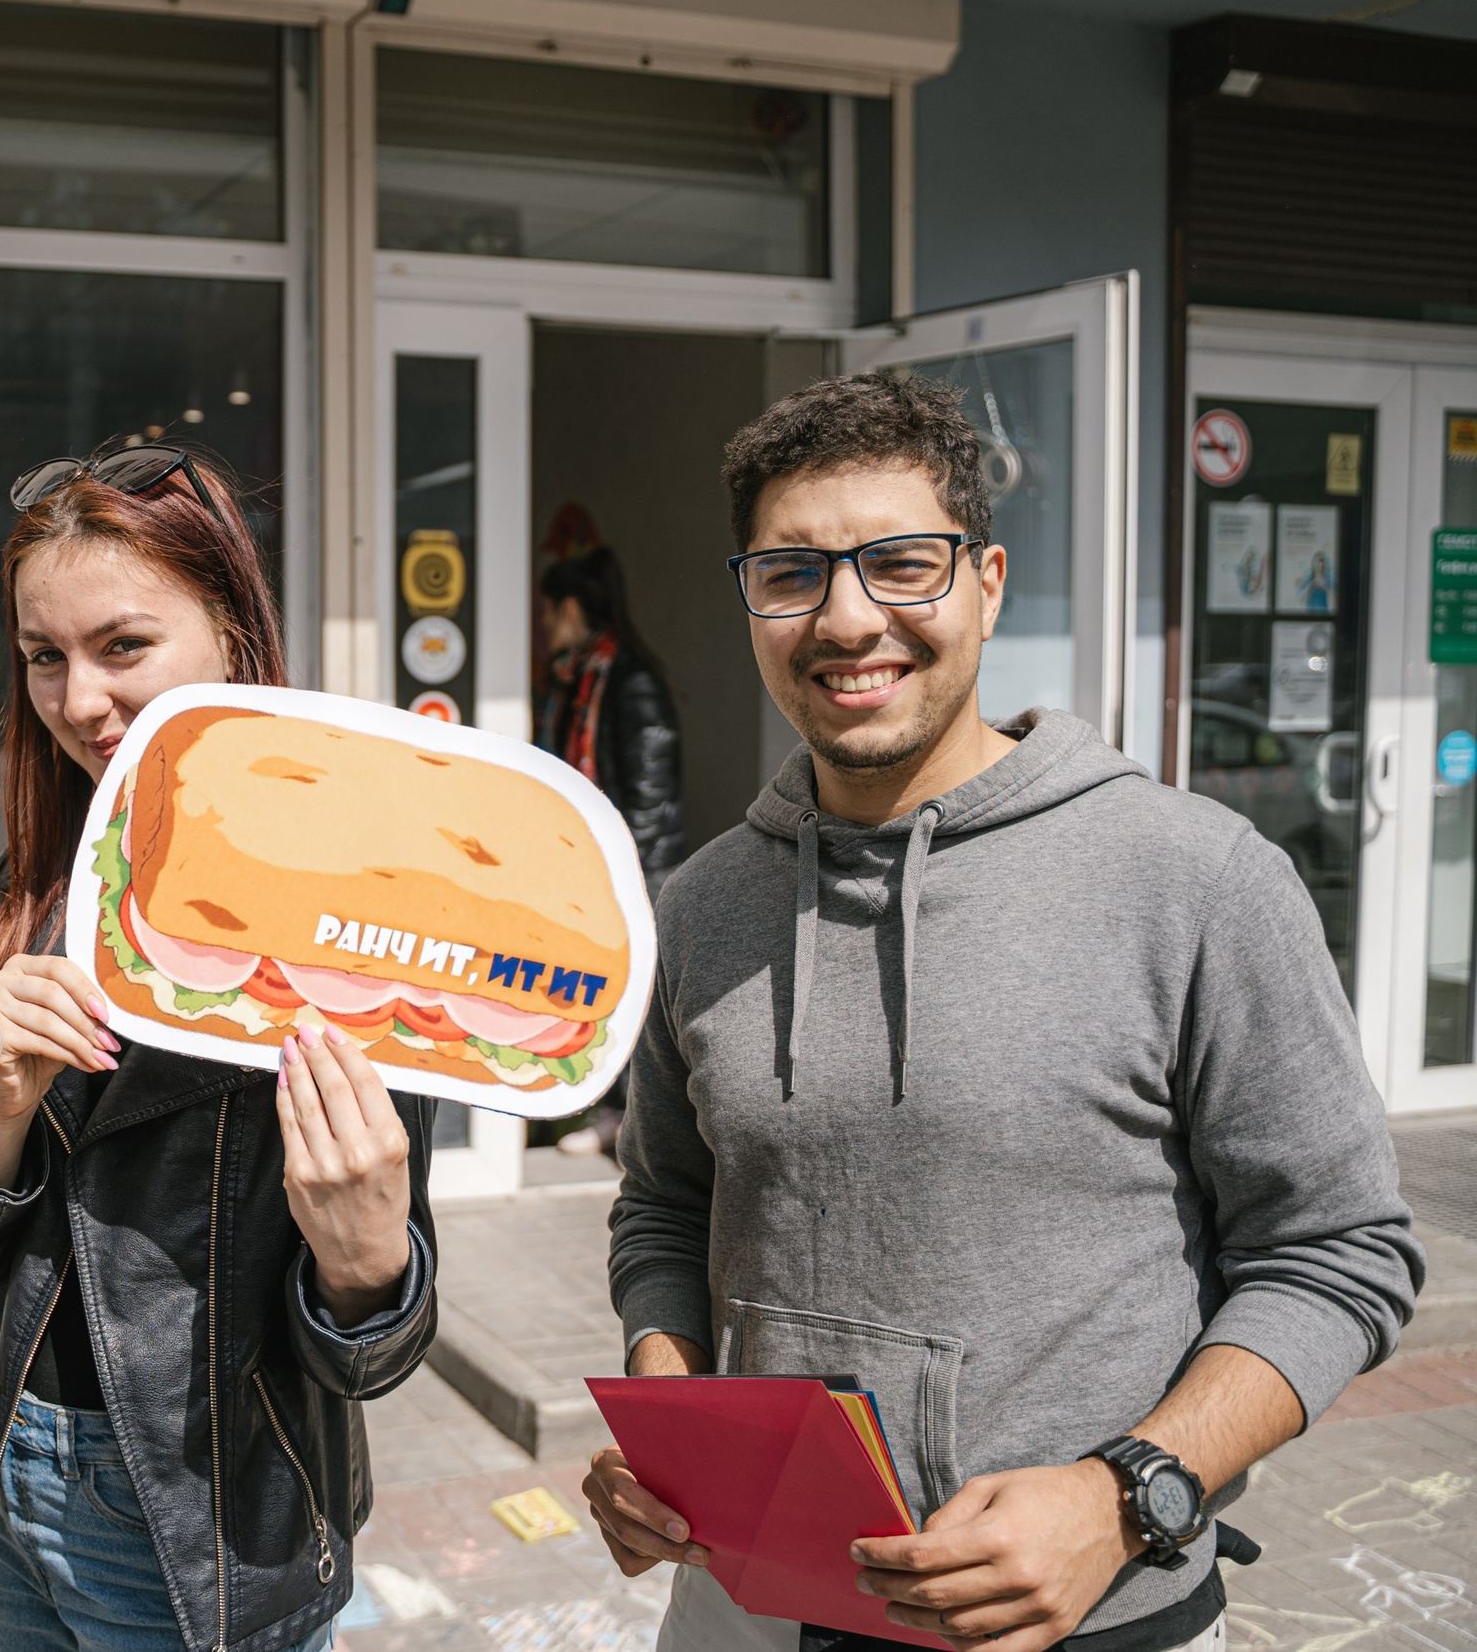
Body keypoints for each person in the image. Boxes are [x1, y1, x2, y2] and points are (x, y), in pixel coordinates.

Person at [583, 375, 1422, 1652]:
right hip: (743, 1609)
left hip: (1088, 1615)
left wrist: (1124, 1495)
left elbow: (1338, 1252)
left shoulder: (1191, 878)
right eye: (792, 573)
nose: (846, 617)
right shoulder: (700, 907)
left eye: (900, 564)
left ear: (987, 582)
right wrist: (669, 1403)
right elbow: (665, 1207)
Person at [0, 441, 438, 1652]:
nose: (79, 699)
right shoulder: (41, 882)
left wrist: (366, 1267)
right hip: (4, 1473)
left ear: (232, 639)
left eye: (122, 646)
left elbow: (373, 1350)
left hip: (205, 1517)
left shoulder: (351, 917)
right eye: (44, 657)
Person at [537, 545, 685, 885]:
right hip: (594, 866)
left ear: (570, 610)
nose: (543, 623)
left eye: (547, 610)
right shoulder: (572, 680)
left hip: (636, 878)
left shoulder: (633, 685)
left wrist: (608, 874)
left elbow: (649, 804)